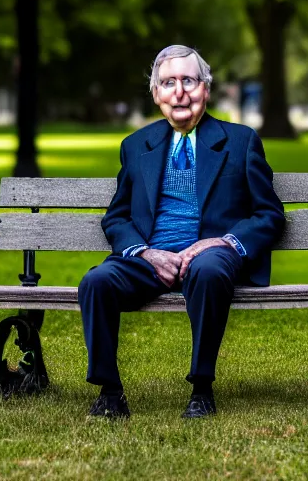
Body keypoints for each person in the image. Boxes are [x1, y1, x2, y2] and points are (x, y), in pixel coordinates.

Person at [78, 45, 285, 419]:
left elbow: (269, 214)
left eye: (188, 80)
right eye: (168, 83)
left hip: (212, 255)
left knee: (207, 270)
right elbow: (117, 217)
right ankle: (110, 393)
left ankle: (201, 390)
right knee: (96, 281)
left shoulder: (239, 142)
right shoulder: (135, 145)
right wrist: (144, 252)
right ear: (156, 94)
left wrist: (222, 242)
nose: (179, 92)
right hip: (150, 258)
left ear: (206, 88)